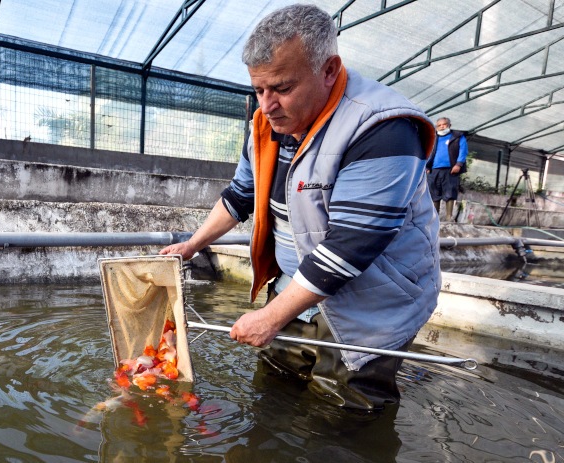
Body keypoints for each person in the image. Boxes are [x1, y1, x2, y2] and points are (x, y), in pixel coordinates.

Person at [160, 3, 440, 410]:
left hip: (369, 303)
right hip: (294, 288)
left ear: (329, 70)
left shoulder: (384, 128)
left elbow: (351, 245)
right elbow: (241, 195)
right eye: (259, 90)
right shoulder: (267, 124)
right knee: (274, 393)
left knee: (344, 413)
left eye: (283, 88)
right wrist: (192, 244)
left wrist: (270, 317)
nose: (267, 105)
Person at [427, 117, 469, 221]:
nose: (442, 127)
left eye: (444, 124)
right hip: (434, 169)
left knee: (450, 192)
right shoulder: (433, 137)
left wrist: (458, 164)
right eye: (439, 125)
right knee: (434, 193)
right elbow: (428, 153)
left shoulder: (457, 136)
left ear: (449, 125)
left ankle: (449, 217)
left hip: (450, 169)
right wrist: (427, 166)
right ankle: (434, 218)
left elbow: (463, 151)